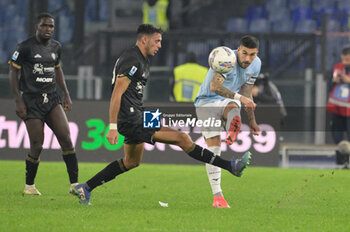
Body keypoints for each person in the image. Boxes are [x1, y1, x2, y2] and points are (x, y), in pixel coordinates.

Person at [73, 24, 253, 205]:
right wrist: (112, 126)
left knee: (132, 161)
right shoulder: (132, 60)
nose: (160, 45)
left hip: (139, 113)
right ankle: (231, 166)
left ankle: (86, 188)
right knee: (182, 138)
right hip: (131, 118)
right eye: (157, 41)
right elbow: (116, 94)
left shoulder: (141, 59)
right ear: (144, 39)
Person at [8, 13, 79, 195]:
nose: (48, 29)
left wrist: (66, 94)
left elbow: (58, 69)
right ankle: (29, 186)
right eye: (45, 26)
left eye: (51, 26)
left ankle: (75, 185)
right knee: (37, 144)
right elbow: (13, 73)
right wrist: (18, 100)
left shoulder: (56, 47)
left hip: (52, 98)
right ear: (36, 27)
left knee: (66, 138)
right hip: (31, 100)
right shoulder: (24, 47)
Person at [194, 35, 261, 208]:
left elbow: (247, 93)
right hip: (205, 102)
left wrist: (252, 122)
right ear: (238, 50)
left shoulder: (256, 64)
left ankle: (233, 125)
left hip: (227, 102)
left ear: (257, 54)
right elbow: (215, 87)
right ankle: (218, 196)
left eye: (252, 55)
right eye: (244, 53)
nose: (247, 59)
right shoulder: (226, 58)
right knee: (214, 148)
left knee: (234, 104)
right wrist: (240, 98)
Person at [326, 46, 350, 167]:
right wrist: (333, 81)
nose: (345, 63)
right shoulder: (337, 67)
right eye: (344, 60)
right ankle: (340, 162)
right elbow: (329, 86)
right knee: (337, 136)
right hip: (337, 107)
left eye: (348, 60)